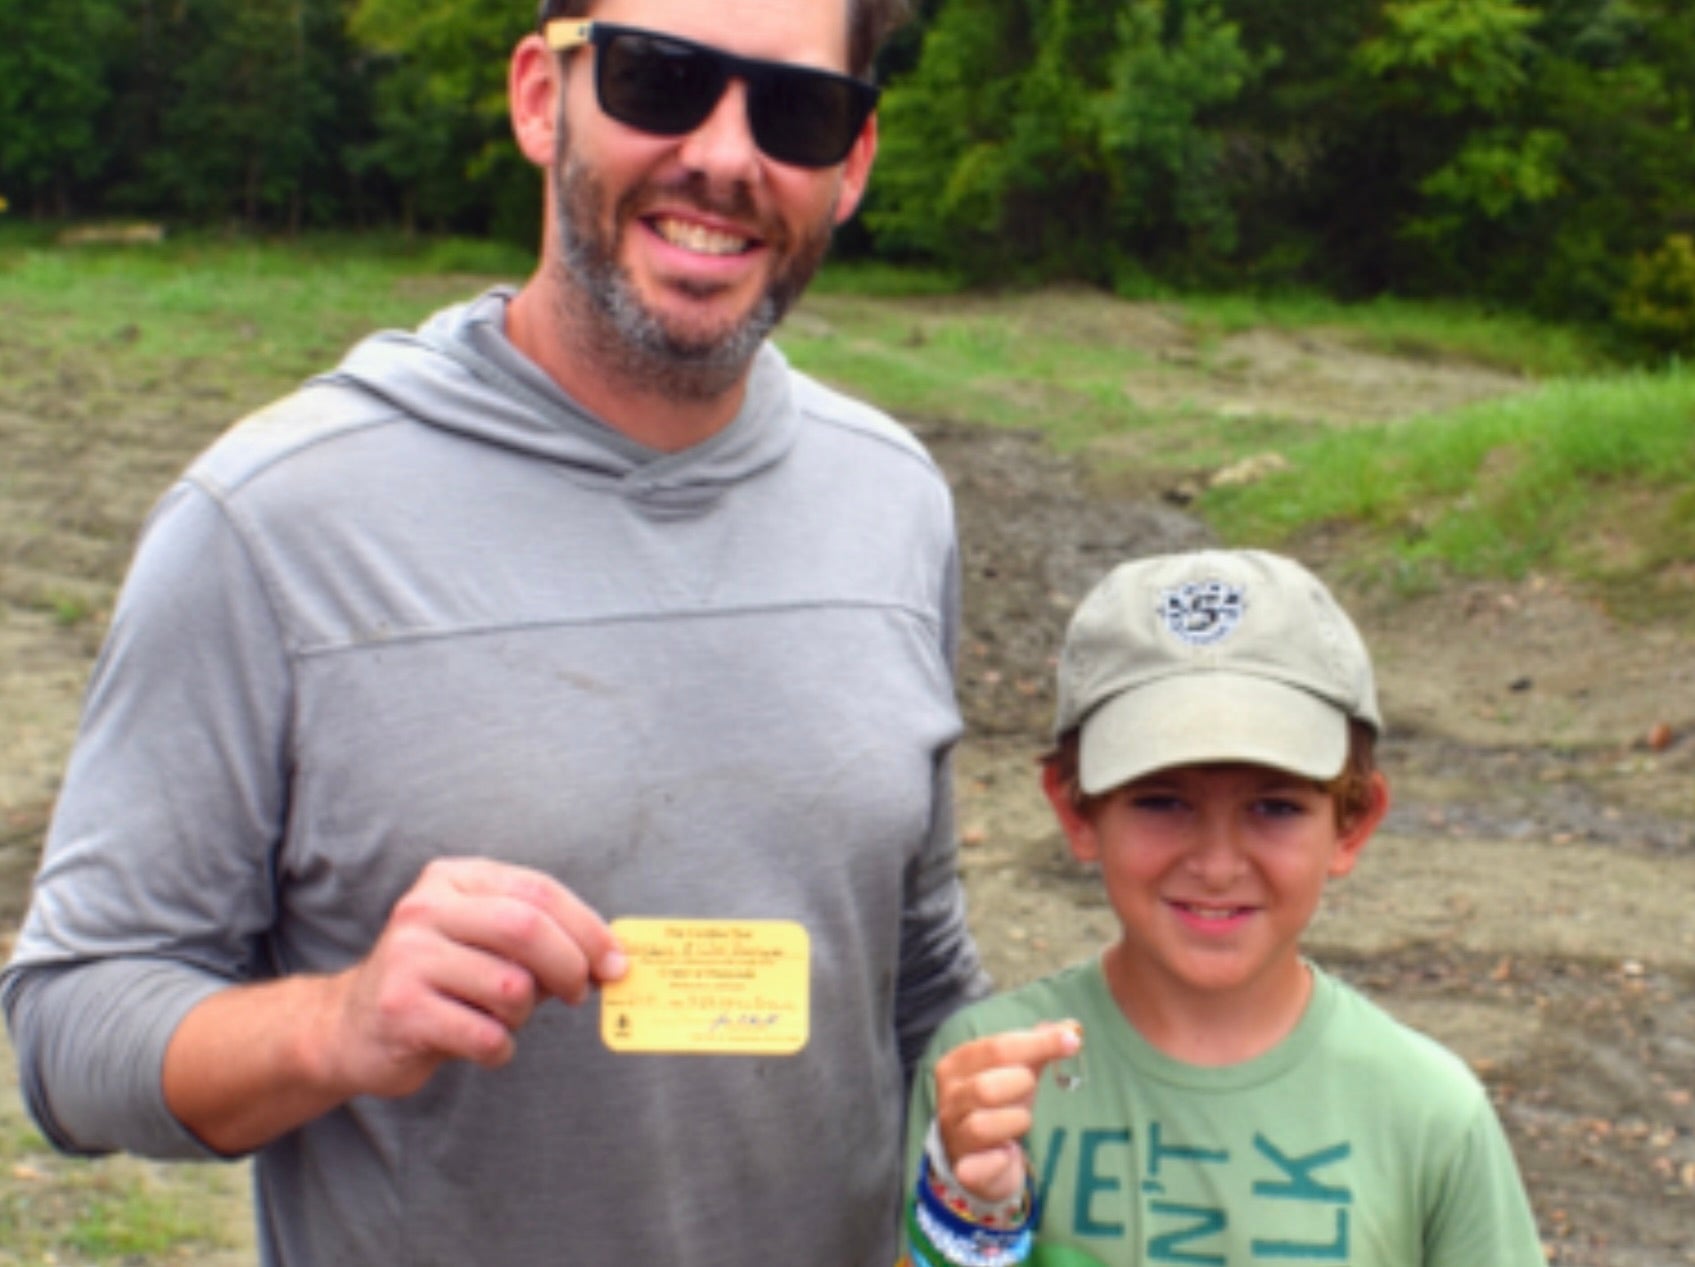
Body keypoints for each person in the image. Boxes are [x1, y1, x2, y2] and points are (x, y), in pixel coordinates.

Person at [1, 1, 989, 1264]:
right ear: (541, 96)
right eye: (659, 80)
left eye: (794, 110)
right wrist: (337, 1024)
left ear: (851, 163)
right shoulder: (270, 522)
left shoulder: (895, 501)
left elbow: (917, 978)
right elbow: (72, 1027)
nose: (727, 156)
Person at [900, 549, 1545, 1267]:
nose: (1215, 864)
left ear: (1353, 820)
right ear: (1075, 808)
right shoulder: (987, 1081)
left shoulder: (1427, 1113)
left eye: (1273, 806)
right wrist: (973, 1217)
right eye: (1160, 800)